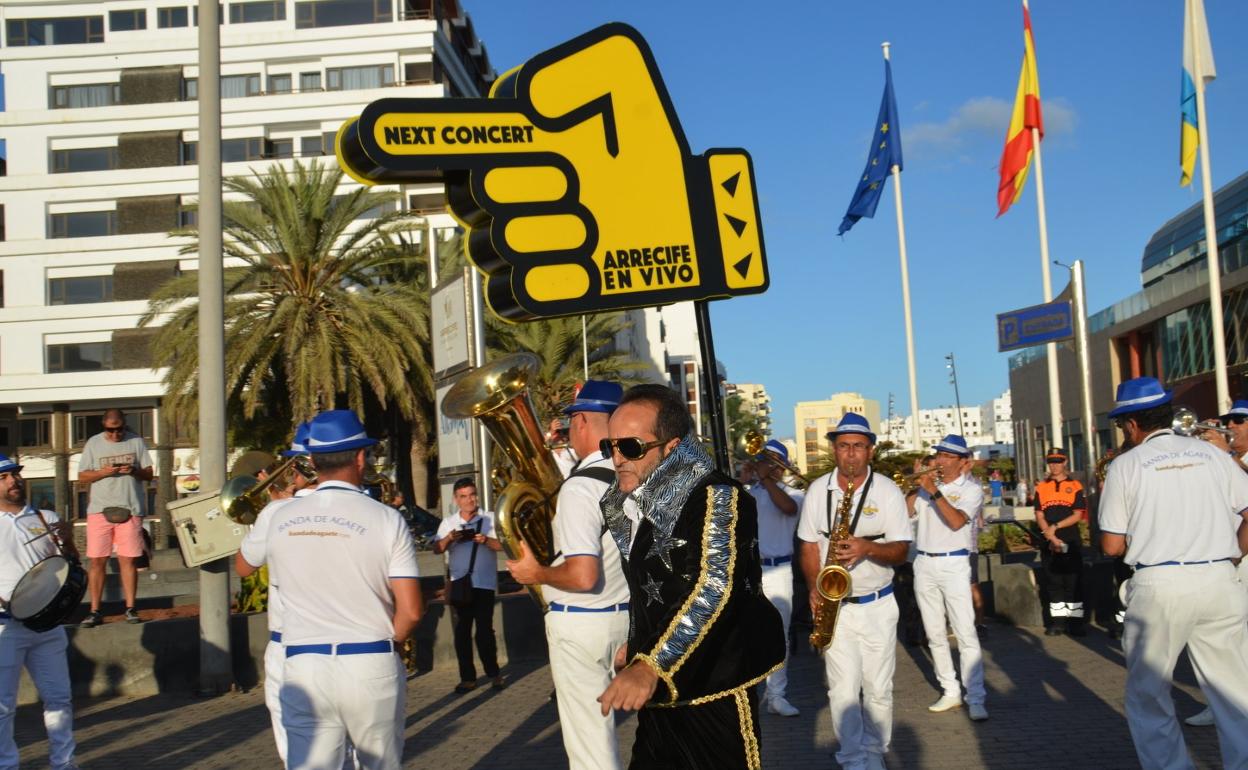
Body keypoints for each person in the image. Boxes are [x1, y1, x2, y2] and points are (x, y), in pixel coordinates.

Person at [596, 384, 783, 770]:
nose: (616, 459)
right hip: (661, 695)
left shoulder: (717, 497)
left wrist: (650, 665)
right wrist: (637, 646)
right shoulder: (632, 501)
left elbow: (714, 587)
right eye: (608, 446)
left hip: (715, 694)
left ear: (671, 446)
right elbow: (656, 588)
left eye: (629, 447)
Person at [237, 410, 423, 770]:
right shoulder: (387, 518)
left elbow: (245, 565)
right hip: (369, 658)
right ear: (359, 456)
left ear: (311, 460)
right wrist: (392, 642)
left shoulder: (277, 516)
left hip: (303, 664)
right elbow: (412, 610)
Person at [1098, 376, 1248, 770]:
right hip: (1219, 577)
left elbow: (1111, 546)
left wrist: (1150, 536)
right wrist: (1233, 556)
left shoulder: (1125, 465)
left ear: (1131, 425)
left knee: (1149, 695)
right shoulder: (1214, 455)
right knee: (1233, 689)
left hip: (1160, 584)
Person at [506, 380, 629, 770]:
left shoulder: (579, 489)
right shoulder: (638, 478)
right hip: (626, 619)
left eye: (571, 421)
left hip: (581, 626)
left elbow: (581, 575)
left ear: (581, 422)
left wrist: (535, 571)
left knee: (590, 749)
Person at [798, 413, 912, 770]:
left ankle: (875, 754)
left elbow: (901, 551)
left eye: (858, 447)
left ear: (870, 451)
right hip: (837, 606)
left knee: (878, 688)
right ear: (834, 450)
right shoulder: (819, 491)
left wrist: (867, 548)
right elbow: (808, 546)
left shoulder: (887, 491)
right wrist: (814, 588)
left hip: (878, 605)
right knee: (843, 691)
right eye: (844, 446)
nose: (850, 454)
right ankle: (851, 759)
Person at [235, 422, 314, 765]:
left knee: (293, 730)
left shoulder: (275, 512)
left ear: (295, 466)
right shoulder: (369, 507)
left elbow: (243, 567)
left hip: (290, 641)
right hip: (349, 640)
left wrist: (271, 509)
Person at [0, 454, 79, 770]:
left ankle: (65, 763)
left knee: (59, 699)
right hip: (6, 626)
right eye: (4, 477)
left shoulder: (45, 517)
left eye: (15, 475)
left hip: (47, 625)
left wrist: (69, 542)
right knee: (3, 707)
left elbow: (69, 564)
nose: (13, 481)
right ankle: (7, 765)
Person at [906, 435, 987, 722]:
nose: (939, 460)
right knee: (935, 633)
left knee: (965, 632)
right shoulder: (929, 486)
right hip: (924, 562)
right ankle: (950, 690)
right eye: (938, 454)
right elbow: (905, 513)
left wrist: (933, 491)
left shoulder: (971, 489)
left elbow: (955, 522)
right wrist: (916, 488)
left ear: (963, 461)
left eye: (947, 456)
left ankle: (975, 695)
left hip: (954, 562)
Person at [737, 438, 804, 717]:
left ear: (783, 466)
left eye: (773, 461)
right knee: (748, 637)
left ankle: (777, 694)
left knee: (779, 636)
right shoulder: (750, 492)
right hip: (751, 572)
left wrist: (767, 481)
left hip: (780, 571)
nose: (766, 464)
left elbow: (788, 509)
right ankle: (750, 695)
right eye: (764, 459)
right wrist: (743, 482)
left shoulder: (795, 493)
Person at [77, 408, 153, 627]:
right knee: (97, 560)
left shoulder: (136, 442)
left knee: (128, 560)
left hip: (130, 509)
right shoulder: (93, 443)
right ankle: (94, 610)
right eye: (110, 430)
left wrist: (133, 471)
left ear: (124, 425)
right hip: (100, 510)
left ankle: (130, 608)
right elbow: (82, 476)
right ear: (104, 426)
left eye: (119, 429)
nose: (115, 434)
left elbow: (149, 474)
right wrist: (104, 472)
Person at [435, 477, 505, 693]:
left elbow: (503, 545)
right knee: (462, 633)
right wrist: (450, 538)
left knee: (485, 632)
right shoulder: (448, 522)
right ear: (456, 499)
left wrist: (485, 540)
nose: (469, 500)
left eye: (472, 494)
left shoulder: (490, 519)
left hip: (483, 583)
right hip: (459, 583)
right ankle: (468, 678)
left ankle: (494, 674)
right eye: (463, 496)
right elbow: (437, 549)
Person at [1033, 447, 1088, 636]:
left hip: (1070, 540)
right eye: (1051, 462)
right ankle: (1058, 623)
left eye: (1058, 461)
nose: (1054, 465)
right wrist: (1050, 535)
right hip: (1049, 541)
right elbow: (1039, 514)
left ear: (1065, 462)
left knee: (1073, 582)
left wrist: (1054, 527)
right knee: (1053, 582)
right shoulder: (1042, 487)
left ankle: (1076, 623)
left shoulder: (1076, 486)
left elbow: (1077, 515)